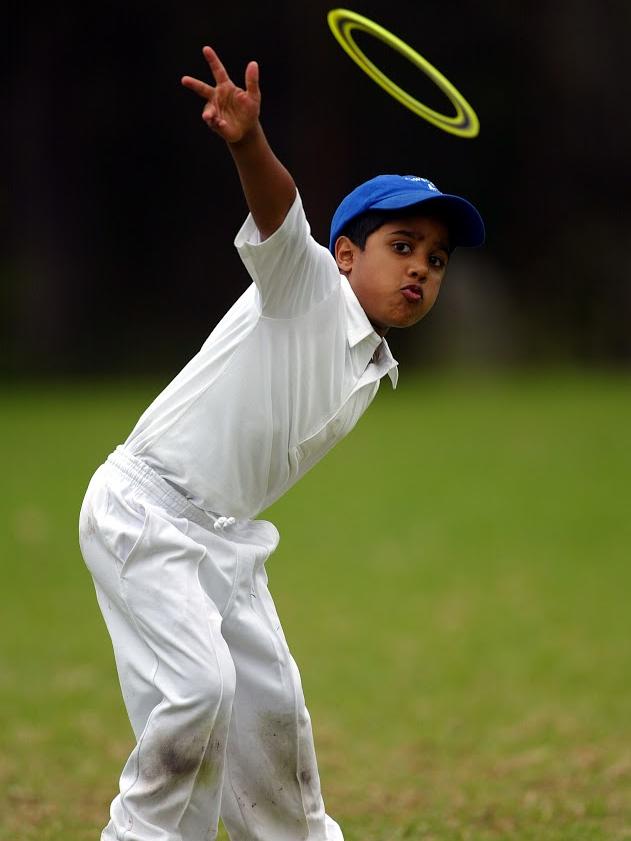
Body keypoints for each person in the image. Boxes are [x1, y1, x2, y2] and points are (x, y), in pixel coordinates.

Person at [79, 45, 484, 841]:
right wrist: (246, 142)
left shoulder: (372, 358)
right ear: (343, 255)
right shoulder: (303, 289)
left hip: (223, 538)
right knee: (197, 693)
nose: (420, 271)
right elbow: (279, 211)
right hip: (145, 512)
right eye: (401, 246)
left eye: (434, 260)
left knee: (273, 714)